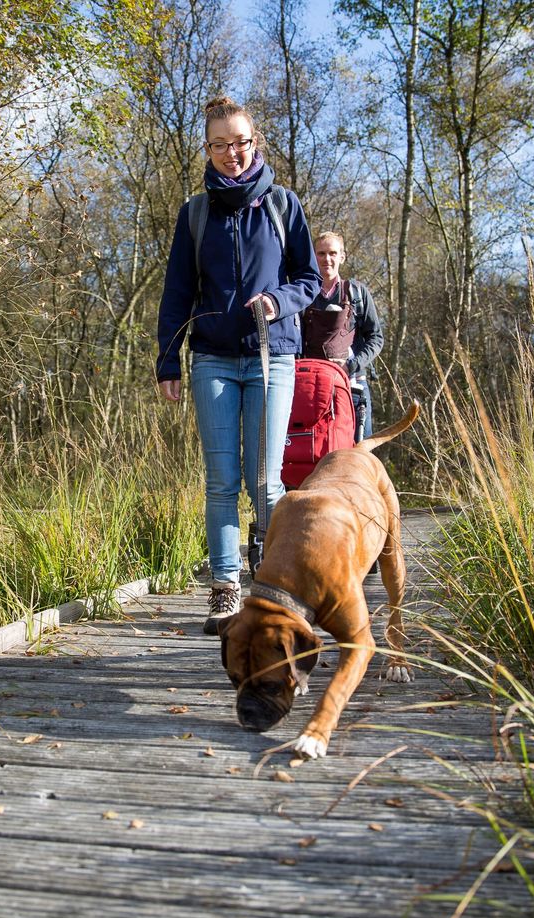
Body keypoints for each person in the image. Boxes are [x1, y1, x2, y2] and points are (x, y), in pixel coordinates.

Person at [156, 96, 322, 632]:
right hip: (212, 361)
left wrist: (278, 302)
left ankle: (273, 587)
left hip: (274, 358)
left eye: (242, 142)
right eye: (221, 144)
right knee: (222, 481)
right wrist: (168, 362)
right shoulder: (195, 214)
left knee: (266, 481)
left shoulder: (283, 205)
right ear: (207, 148)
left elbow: (309, 280)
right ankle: (225, 588)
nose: (233, 153)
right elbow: (177, 292)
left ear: (256, 143)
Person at [302, 232, 384, 440]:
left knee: (359, 450)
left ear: (342, 257)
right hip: (311, 388)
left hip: (353, 386)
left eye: (332, 253)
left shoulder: (358, 293)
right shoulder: (303, 294)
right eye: (321, 253)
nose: (327, 259)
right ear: (313, 256)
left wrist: (352, 365)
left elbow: (376, 338)